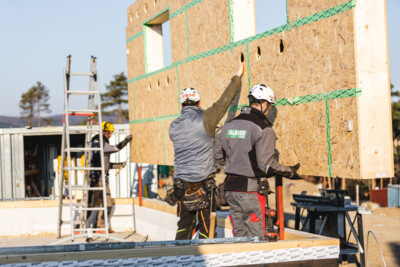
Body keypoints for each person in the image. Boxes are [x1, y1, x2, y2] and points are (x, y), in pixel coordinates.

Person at [166, 63, 244, 240]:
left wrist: (209, 130)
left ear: (181, 105)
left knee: (184, 225)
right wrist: (237, 76)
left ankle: (179, 259)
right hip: (203, 185)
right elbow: (224, 101)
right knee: (205, 227)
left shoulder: (174, 126)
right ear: (199, 102)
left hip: (181, 186)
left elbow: (191, 139)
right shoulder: (207, 118)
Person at [213, 84, 301, 240]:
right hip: (250, 191)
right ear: (265, 104)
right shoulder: (263, 129)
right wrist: (289, 171)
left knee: (240, 238)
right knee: (257, 239)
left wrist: (235, 159)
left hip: (230, 190)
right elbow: (266, 165)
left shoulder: (228, 126)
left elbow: (218, 158)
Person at [86, 121, 132, 240]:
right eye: (109, 133)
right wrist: (127, 140)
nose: (110, 135)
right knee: (92, 204)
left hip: (103, 179)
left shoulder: (103, 141)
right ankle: (86, 227)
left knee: (108, 204)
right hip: (96, 179)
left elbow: (106, 164)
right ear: (104, 132)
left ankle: (101, 226)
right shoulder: (98, 142)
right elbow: (116, 148)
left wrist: (118, 165)